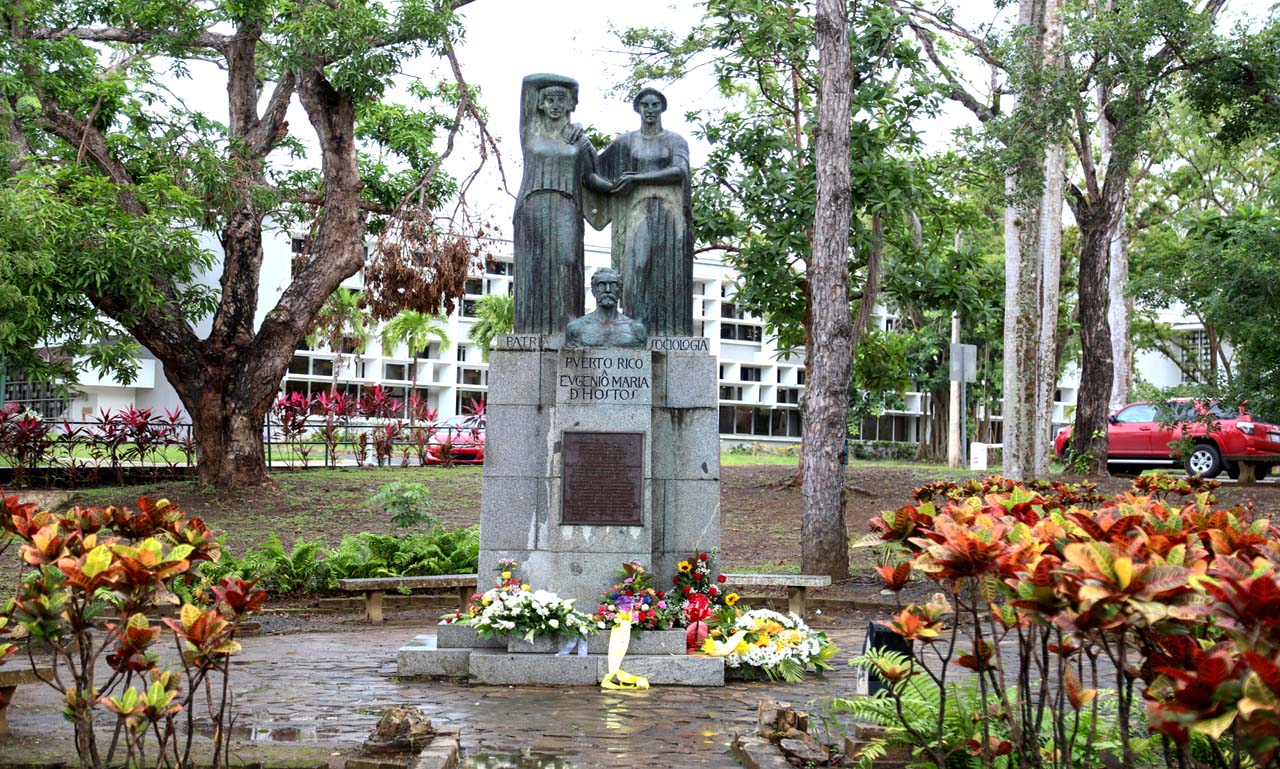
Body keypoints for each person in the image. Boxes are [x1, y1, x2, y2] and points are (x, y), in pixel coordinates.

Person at [513, 73, 611, 335]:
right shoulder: (529, 132)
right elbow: (529, 82)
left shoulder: (578, 139)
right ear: (540, 104)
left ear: (570, 104)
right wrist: (573, 86)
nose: (556, 105)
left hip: (567, 206)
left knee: (568, 263)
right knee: (533, 268)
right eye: (550, 99)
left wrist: (622, 188)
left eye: (562, 100)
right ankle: (527, 330)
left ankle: (568, 329)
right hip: (532, 206)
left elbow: (592, 178)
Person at [593, 87, 694, 337]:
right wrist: (577, 142)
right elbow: (594, 167)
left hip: (667, 212)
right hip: (636, 210)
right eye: (645, 105)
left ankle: (668, 329)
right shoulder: (626, 141)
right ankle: (633, 325)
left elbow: (680, 171)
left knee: (666, 271)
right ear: (638, 108)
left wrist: (638, 178)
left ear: (662, 108)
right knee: (636, 265)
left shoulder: (675, 140)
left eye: (655, 105)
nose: (650, 110)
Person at [564, 268, 647, 348]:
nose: (608, 290)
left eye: (613, 285)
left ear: (620, 291)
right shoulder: (576, 328)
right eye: (601, 285)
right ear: (593, 291)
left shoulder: (635, 329)